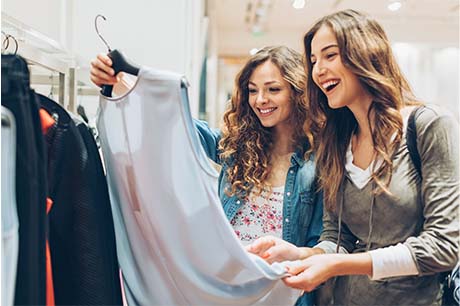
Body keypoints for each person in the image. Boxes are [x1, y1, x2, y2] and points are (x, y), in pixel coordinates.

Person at [247, 9, 459, 305]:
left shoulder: (428, 125)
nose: (318, 70)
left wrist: (338, 265)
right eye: (313, 61)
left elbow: (443, 247)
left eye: (330, 55)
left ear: (365, 53)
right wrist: (299, 254)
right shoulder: (336, 142)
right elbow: (339, 239)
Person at [90, 45, 323, 306]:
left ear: (298, 92)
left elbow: (320, 247)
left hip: (281, 294)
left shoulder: (318, 165)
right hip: (226, 290)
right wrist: (124, 82)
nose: (260, 100)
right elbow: (180, 126)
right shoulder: (239, 148)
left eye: (273, 89)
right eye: (253, 90)